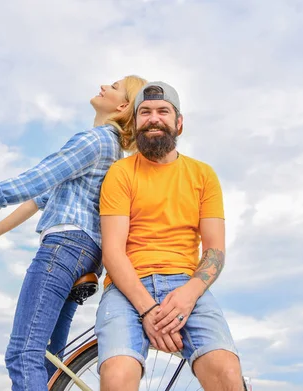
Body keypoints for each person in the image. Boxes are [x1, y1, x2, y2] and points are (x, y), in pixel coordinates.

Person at [0, 75, 147, 391]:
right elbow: (41, 197)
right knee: (47, 359)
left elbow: (31, 182)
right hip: (86, 255)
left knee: (23, 354)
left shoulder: (94, 141)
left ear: (123, 106)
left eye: (114, 87)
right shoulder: (112, 151)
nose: (104, 85)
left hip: (65, 247)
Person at [96, 81, 244, 390]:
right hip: (127, 287)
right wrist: (148, 309)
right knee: (117, 376)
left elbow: (215, 250)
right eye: (145, 112)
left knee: (227, 374)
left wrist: (189, 295)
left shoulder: (203, 175)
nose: (153, 118)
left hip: (187, 285)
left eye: (163, 111)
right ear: (135, 122)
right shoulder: (121, 173)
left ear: (178, 122)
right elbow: (112, 252)